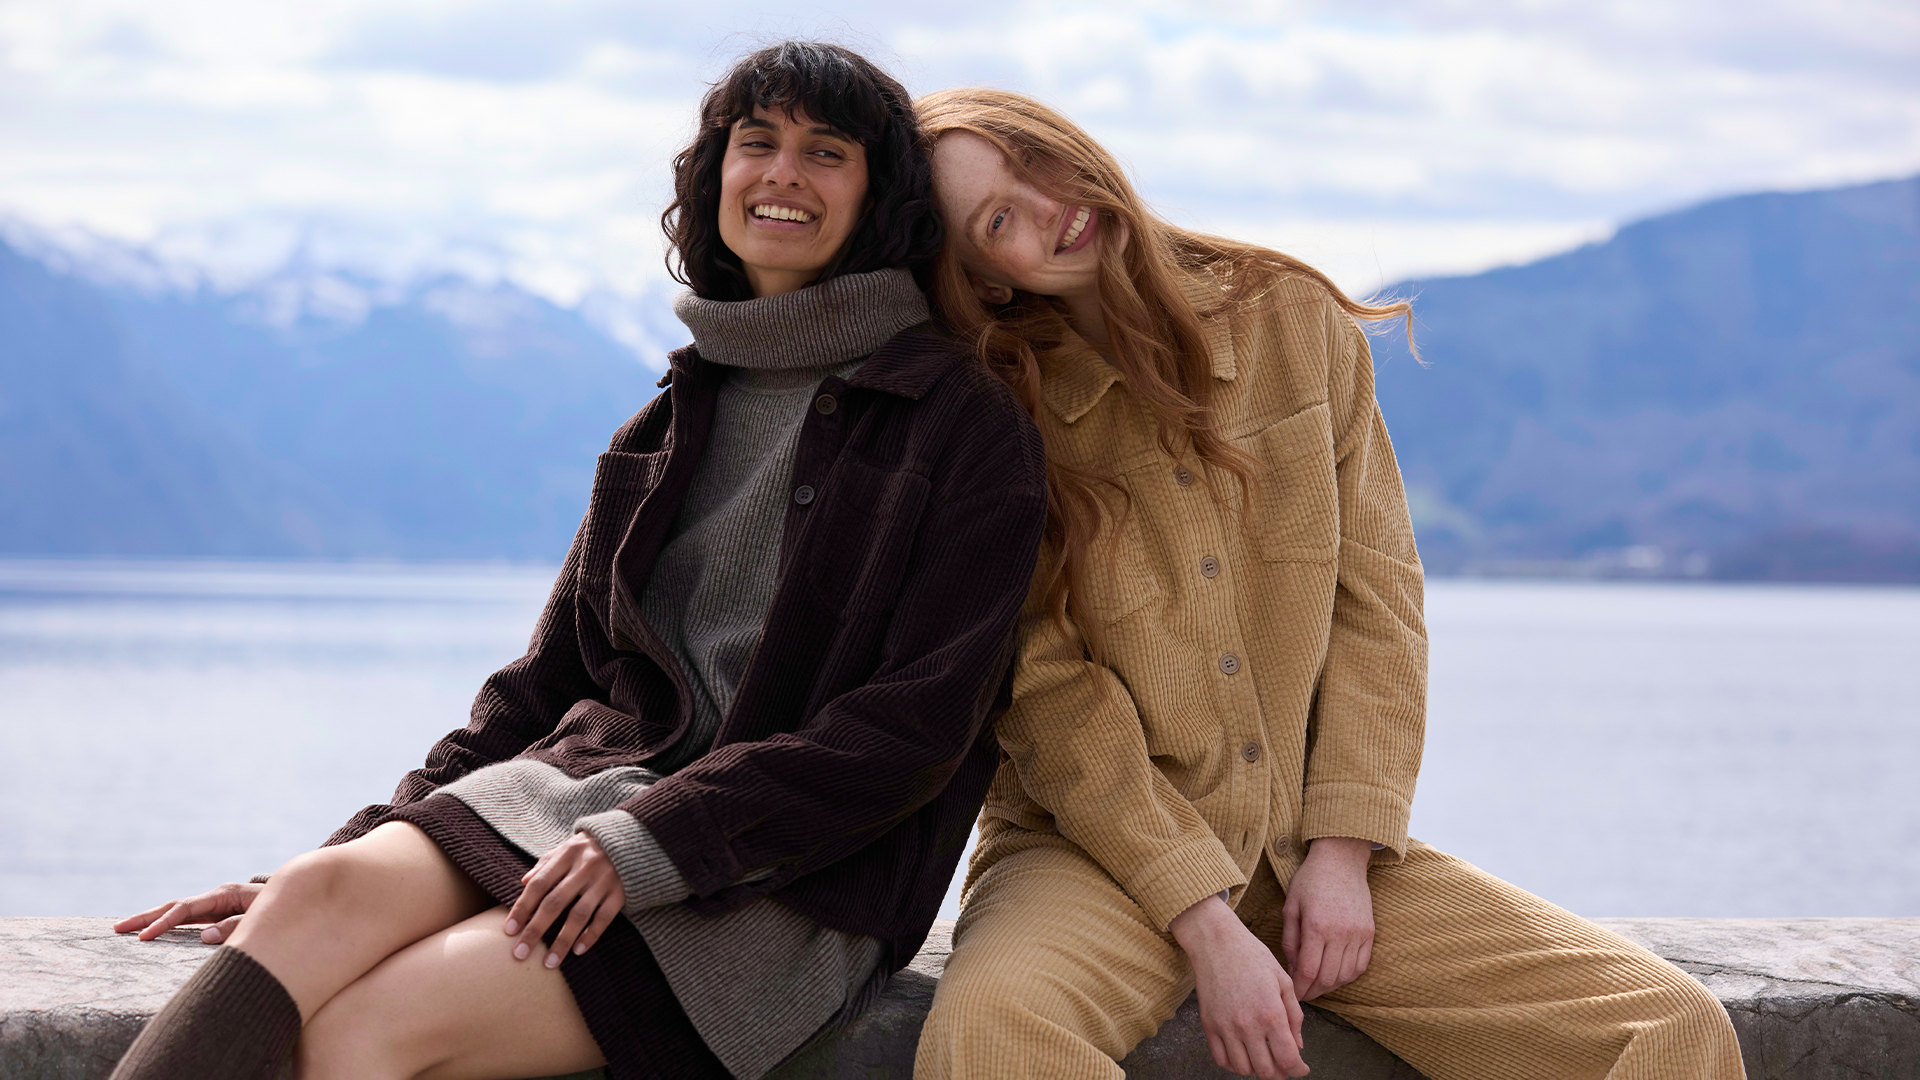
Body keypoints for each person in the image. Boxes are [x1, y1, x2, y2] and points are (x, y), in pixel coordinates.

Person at [107, 44, 1048, 1080]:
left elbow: (913, 727)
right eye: (757, 143)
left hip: (782, 878)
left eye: (827, 152)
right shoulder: (671, 417)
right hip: (574, 804)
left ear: (879, 199)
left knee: (369, 1031)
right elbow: (543, 689)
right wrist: (354, 853)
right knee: (310, 901)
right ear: (715, 175)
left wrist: (657, 841)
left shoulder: (962, 425)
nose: (784, 172)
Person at [910, 87, 1746, 1080]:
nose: (1049, 207)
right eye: (999, 219)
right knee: (995, 1034)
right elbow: (1047, 699)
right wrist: (1203, 922)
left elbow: (1377, 600)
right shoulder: (995, 415)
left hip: (1315, 848)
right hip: (1096, 858)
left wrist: (1345, 856)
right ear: (984, 280)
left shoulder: (1291, 319)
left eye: (1031, 160)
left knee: (1667, 1025)